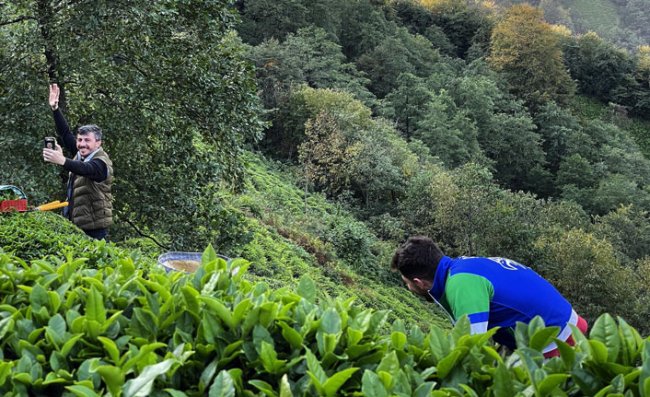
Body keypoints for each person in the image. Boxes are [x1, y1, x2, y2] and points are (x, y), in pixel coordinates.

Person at [391, 236, 588, 357]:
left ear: (419, 282)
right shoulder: (464, 267)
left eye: (407, 283)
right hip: (566, 323)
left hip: (557, 340)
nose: (409, 288)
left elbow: (472, 347)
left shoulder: (461, 284)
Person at [42, 83, 113, 240]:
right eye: (80, 139)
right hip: (76, 225)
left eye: (87, 140)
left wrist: (62, 160)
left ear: (98, 143)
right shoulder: (80, 154)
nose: (82, 144)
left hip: (94, 230)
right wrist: (55, 108)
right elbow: (65, 133)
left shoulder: (101, 163)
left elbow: (86, 169)